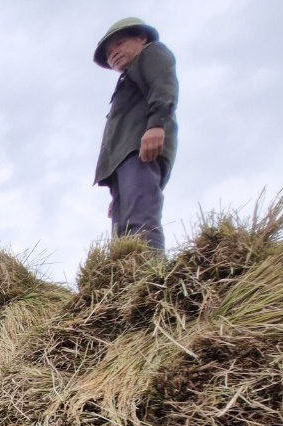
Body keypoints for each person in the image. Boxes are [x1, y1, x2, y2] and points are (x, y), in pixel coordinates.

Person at [92, 17, 178, 252]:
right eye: (109, 53)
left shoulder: (151, 54)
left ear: (142, 38)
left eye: (119, 44)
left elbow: (163, 86)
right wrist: (117, 194)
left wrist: (155, 125)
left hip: (140, 151)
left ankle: (150, 279)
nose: (114, 54)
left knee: (140, 222)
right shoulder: (127, 79)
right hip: (125, 160)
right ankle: (127, 282)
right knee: (122, 233)